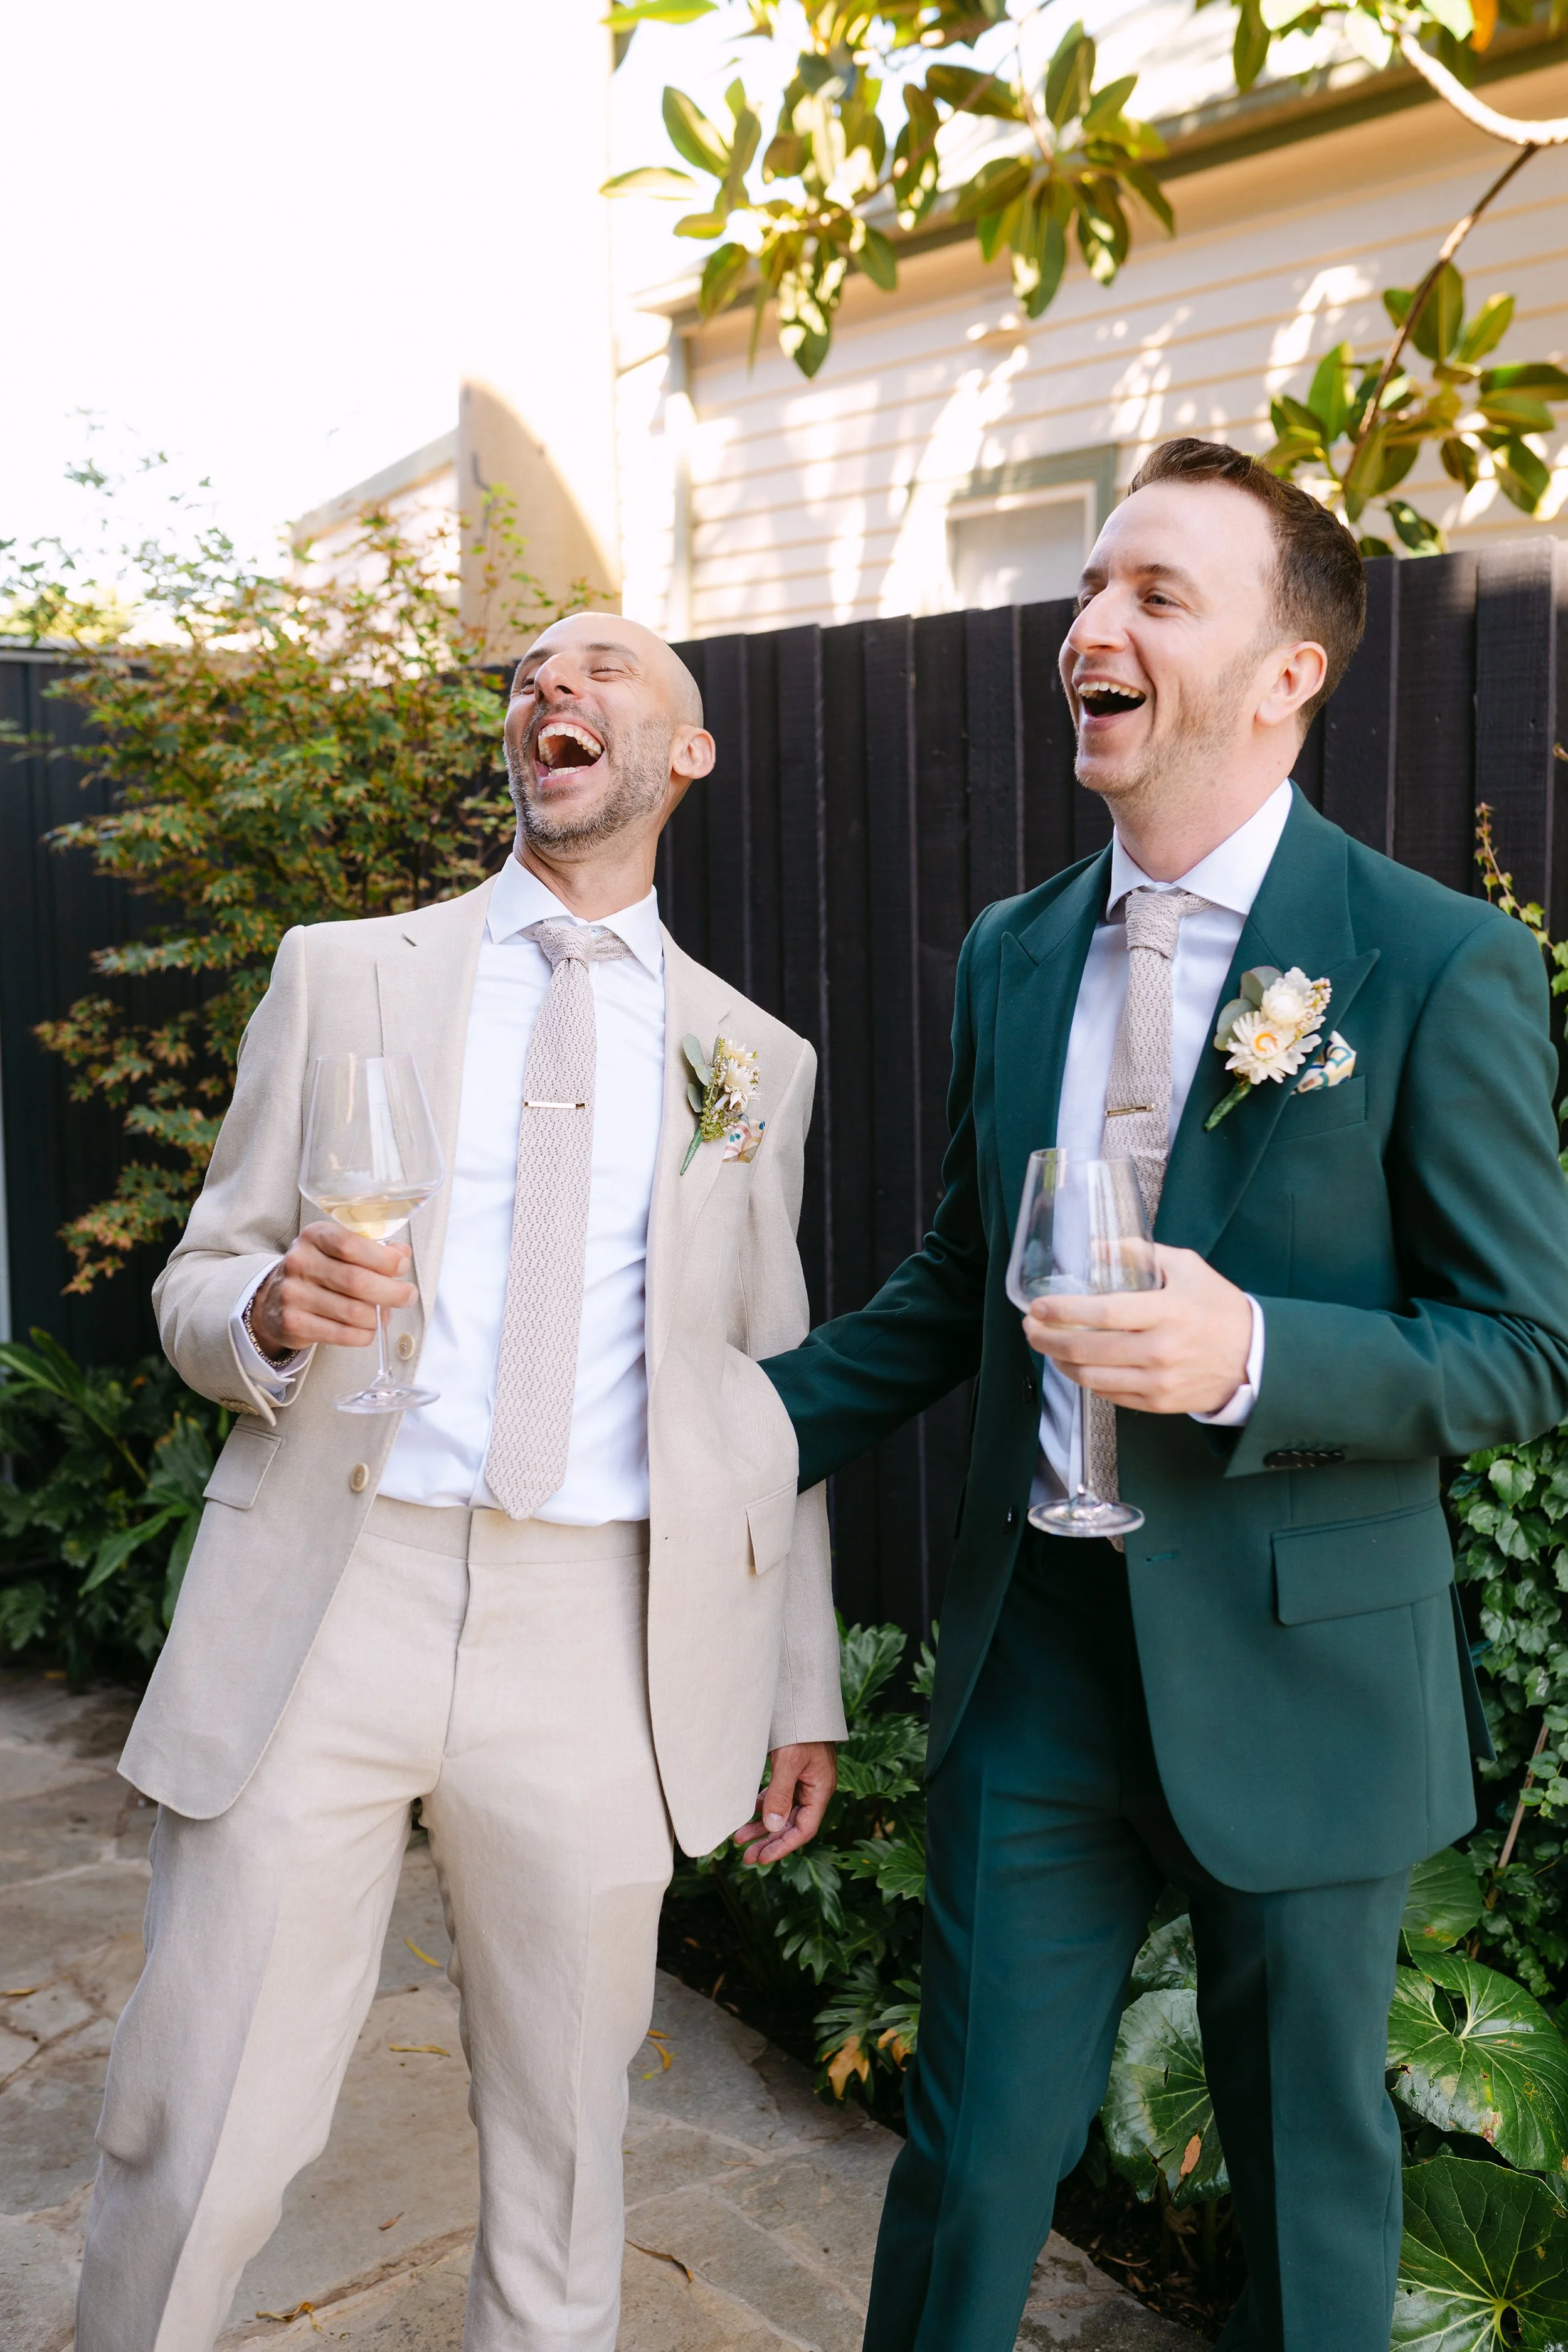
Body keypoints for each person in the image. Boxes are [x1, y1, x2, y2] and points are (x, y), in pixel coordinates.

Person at [760, 438, 1568, 2352]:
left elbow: (1523, 1345)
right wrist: (717, 1433)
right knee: (964, 2164)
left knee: (1307, 2188)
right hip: (1038, 1653)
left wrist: (1257, 1355)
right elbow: (960, 1284)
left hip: (1303, 1674)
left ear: (1288, 672)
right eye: (1093, 582)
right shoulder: (1012, 950)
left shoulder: (1432, 959)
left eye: (1157, 595)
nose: (1090, 625)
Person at [77, 612, 844, 2352]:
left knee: (567, 2148)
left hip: (599, 1632)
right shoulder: (346, 971)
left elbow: (756, 1394)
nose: (549, 693)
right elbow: (199, 1278)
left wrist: (798, 1674)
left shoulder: (752, 1058)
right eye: (527, 676)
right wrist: (263, 1309)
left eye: (601, 671)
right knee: (207, 2116)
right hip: (333, 1597)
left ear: (688, 748)